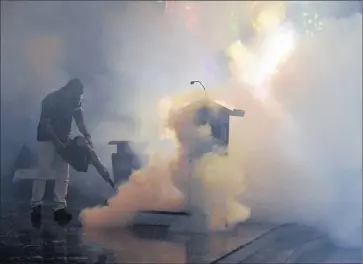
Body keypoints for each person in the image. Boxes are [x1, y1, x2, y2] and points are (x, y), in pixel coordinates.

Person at [31, 78, 92, 226]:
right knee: (43, 172)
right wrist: (57, 143)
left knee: (63, 173)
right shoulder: (51, 100)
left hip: (64, 139)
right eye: (78, 95)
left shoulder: (74, 100)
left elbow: (80, 121)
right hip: (47, 139)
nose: (79, 98)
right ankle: (36, 205)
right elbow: (46, 125)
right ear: (71, 89)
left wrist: (87, 136)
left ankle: (60, 207)